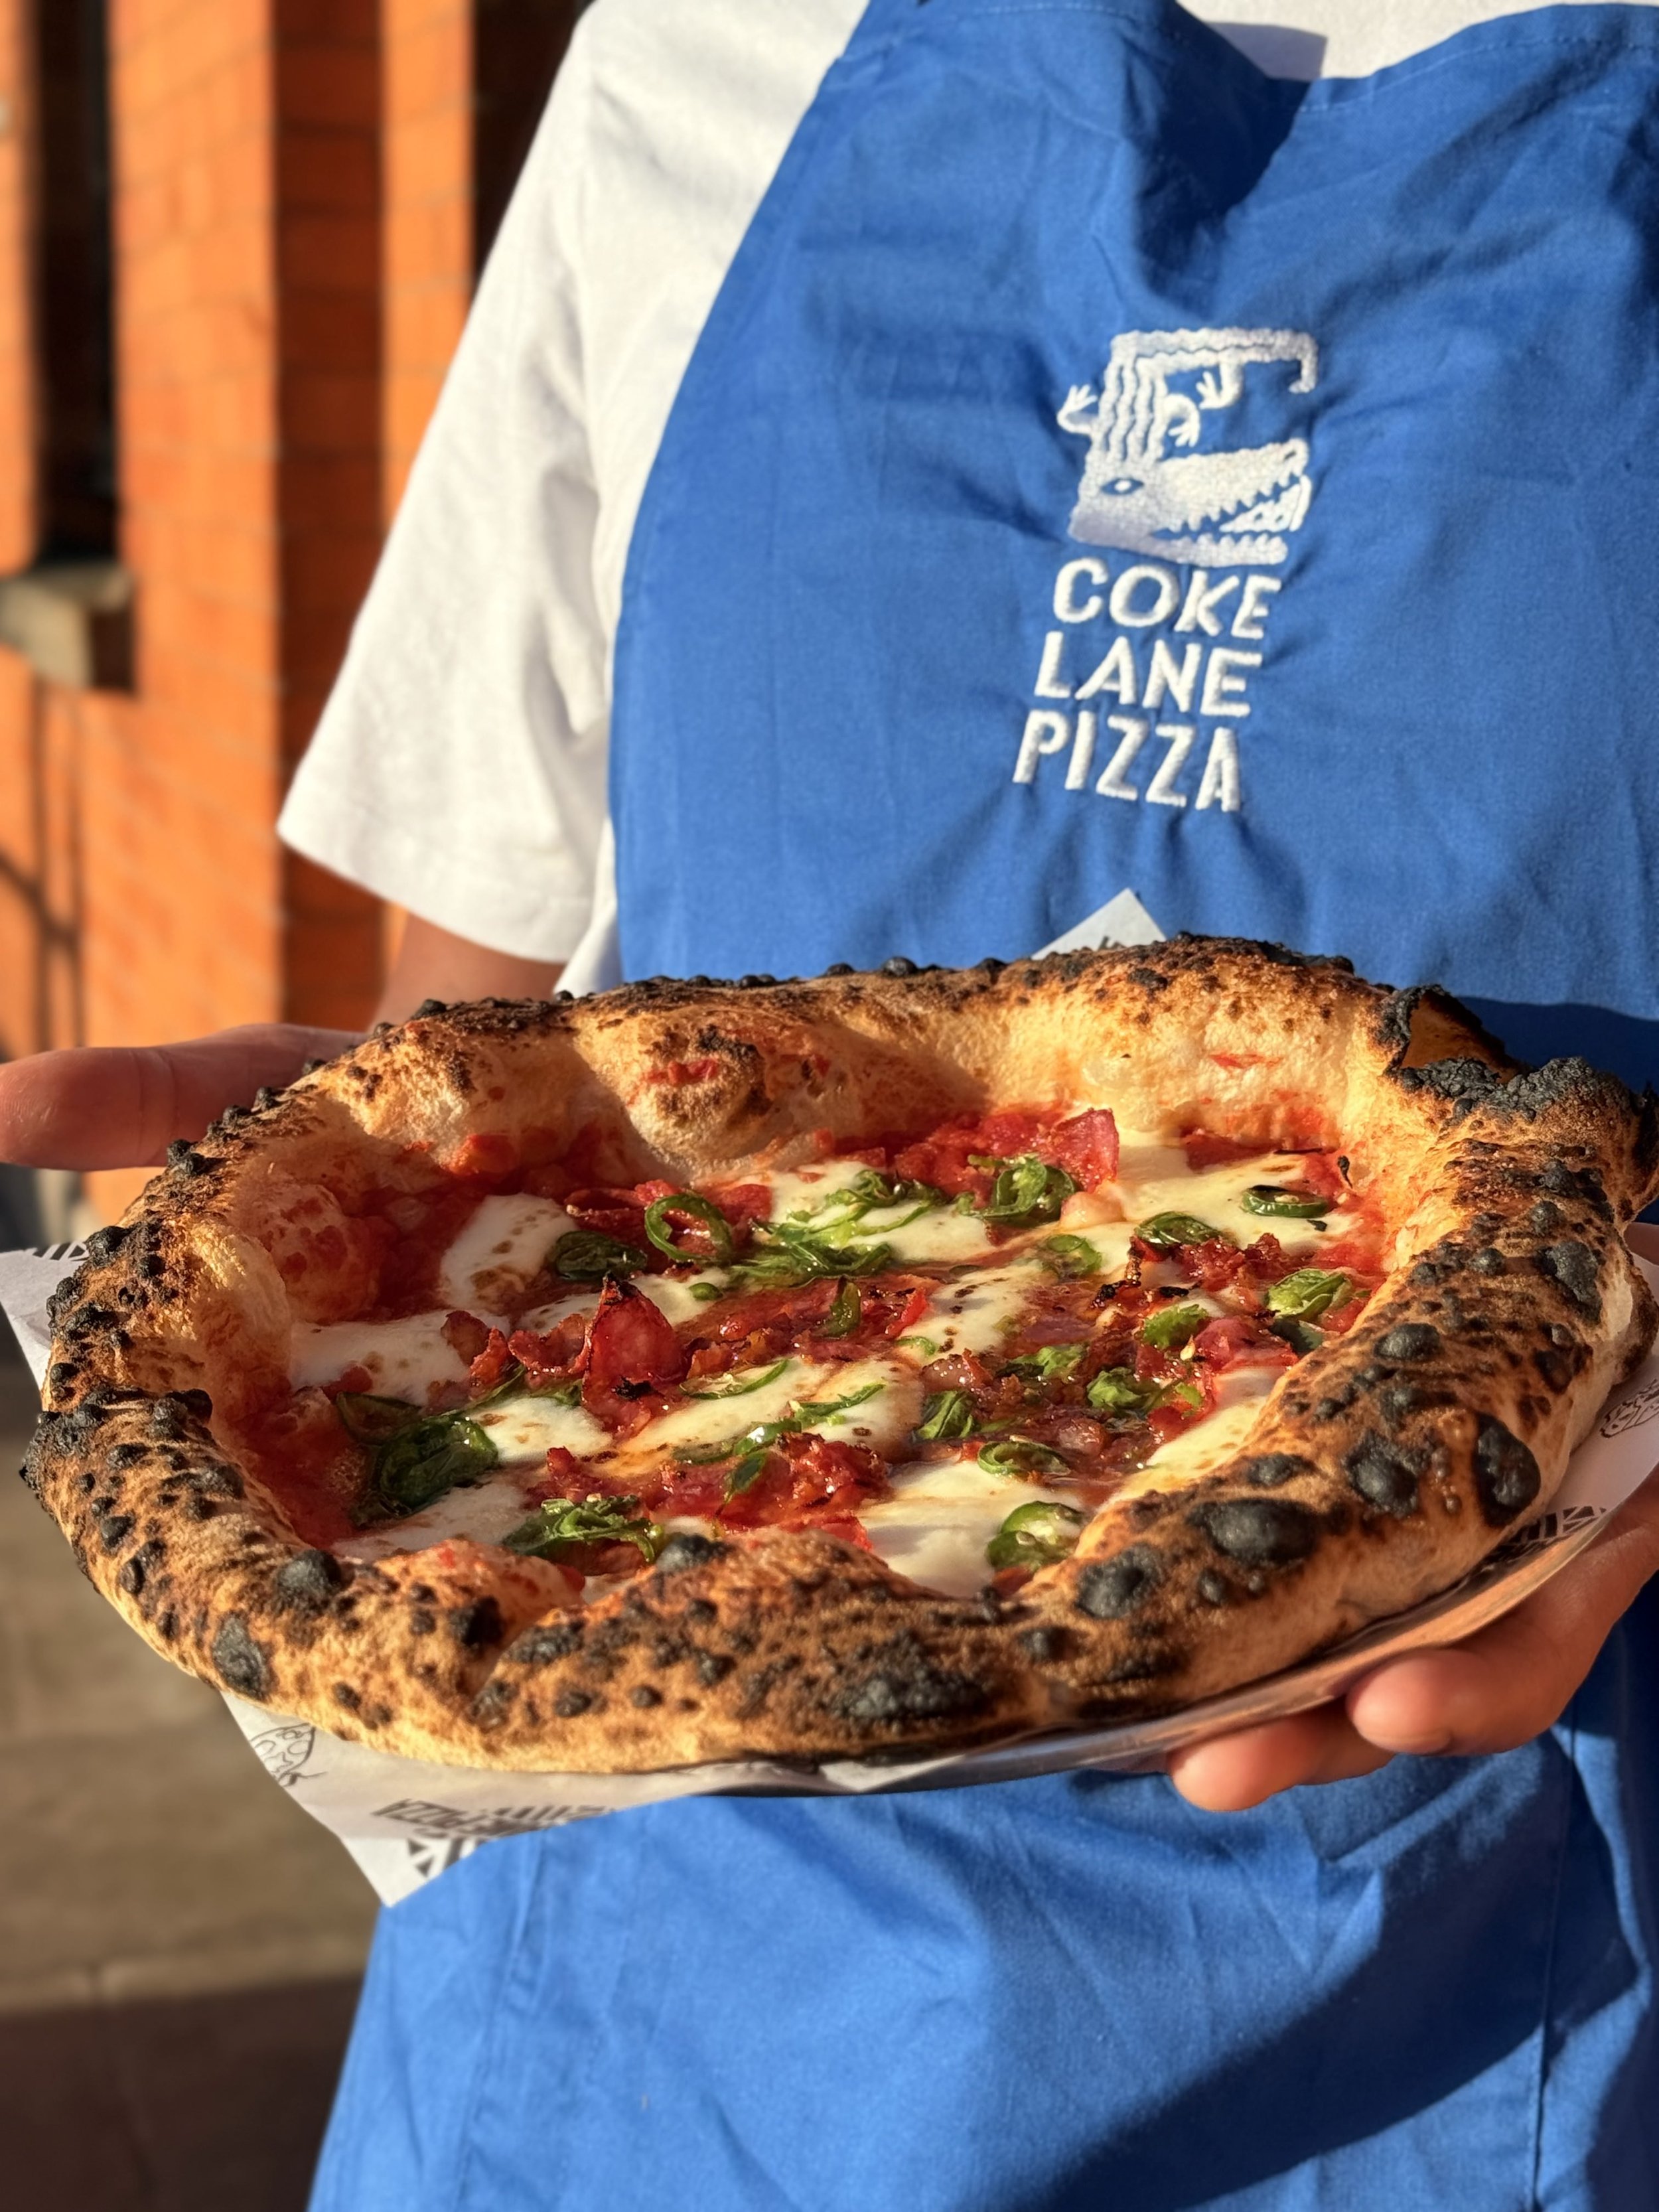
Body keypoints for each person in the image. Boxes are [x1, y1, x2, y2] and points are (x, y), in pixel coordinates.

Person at [8, 1, 1659, 2201]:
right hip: (609, 2007)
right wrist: (422, 1252)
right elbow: (471, 1023)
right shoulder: (694, 50)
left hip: (1459, 1967)